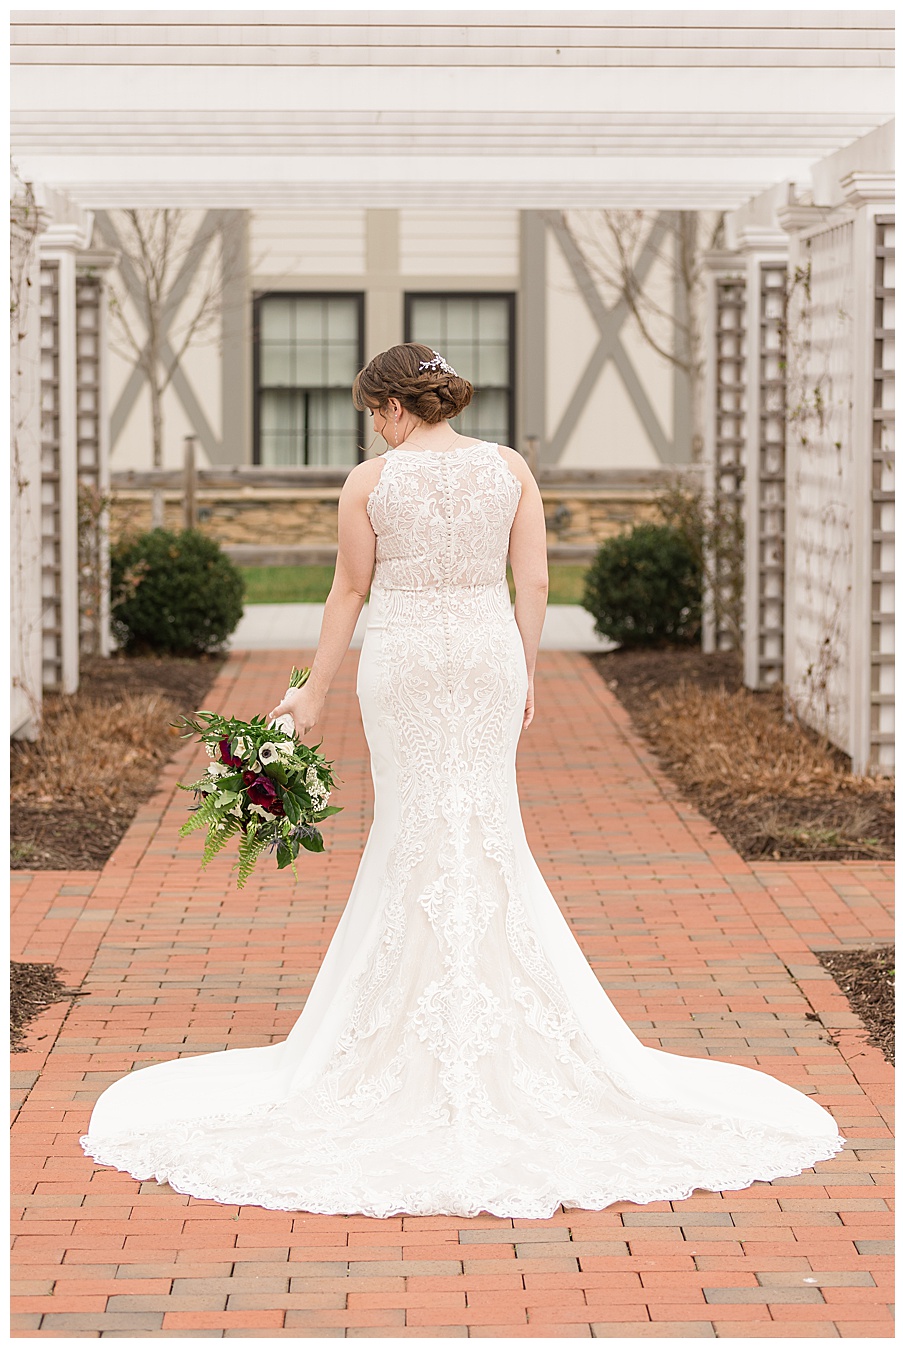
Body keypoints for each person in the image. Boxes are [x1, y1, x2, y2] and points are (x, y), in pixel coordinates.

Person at [81, 342, 843, 1218]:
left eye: (373, 410)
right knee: (484, 828)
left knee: (412, 829)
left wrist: (311, 695)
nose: (372, 425)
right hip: (484, 661)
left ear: (396, 407)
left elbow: (347, 593)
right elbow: (537, 579)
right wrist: (522, 671)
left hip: (402, 665)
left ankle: (402, 1024)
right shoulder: (510, 469)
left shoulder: (371, 482)